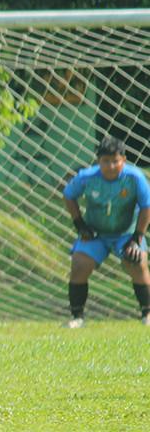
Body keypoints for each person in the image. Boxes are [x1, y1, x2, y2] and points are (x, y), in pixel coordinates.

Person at [61, 136, 150, 329]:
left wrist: (137, 238)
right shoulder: (86, 177)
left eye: (115, 161)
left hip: (127, 233)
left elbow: (146, 207)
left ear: (124, 161)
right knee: (79, 264)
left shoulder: (135, 178)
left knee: (138, 262)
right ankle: (77, 317)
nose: (111, 166)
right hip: (96, 233)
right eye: (105, 161)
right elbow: (68, 195)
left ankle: (147, 313)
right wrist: (80, 224)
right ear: (98, 161)